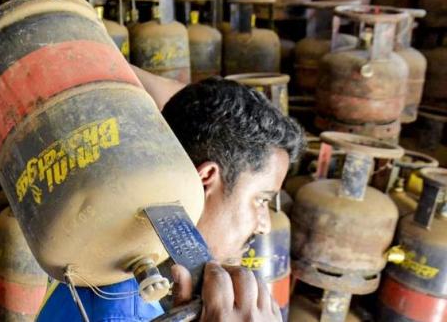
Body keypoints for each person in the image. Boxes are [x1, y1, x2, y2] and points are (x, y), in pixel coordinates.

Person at [36, 69, 305, 321]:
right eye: (261, 200)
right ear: (205, 179)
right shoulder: (125, 313)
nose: (264, 225)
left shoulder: (113, 248)